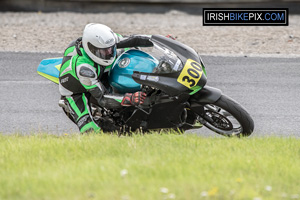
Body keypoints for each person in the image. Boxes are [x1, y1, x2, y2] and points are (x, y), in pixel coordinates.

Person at [59, 23, 153, 133]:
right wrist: (130, 98)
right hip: (77, 93)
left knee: (131, 50)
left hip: (101, 74)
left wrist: (159, 41)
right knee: (90, 131)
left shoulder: (107, 41)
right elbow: (103, 98)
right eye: (104, 51)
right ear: (91, 50)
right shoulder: (84, 68)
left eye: (110, 48)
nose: (109, 52)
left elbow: (134, 39)